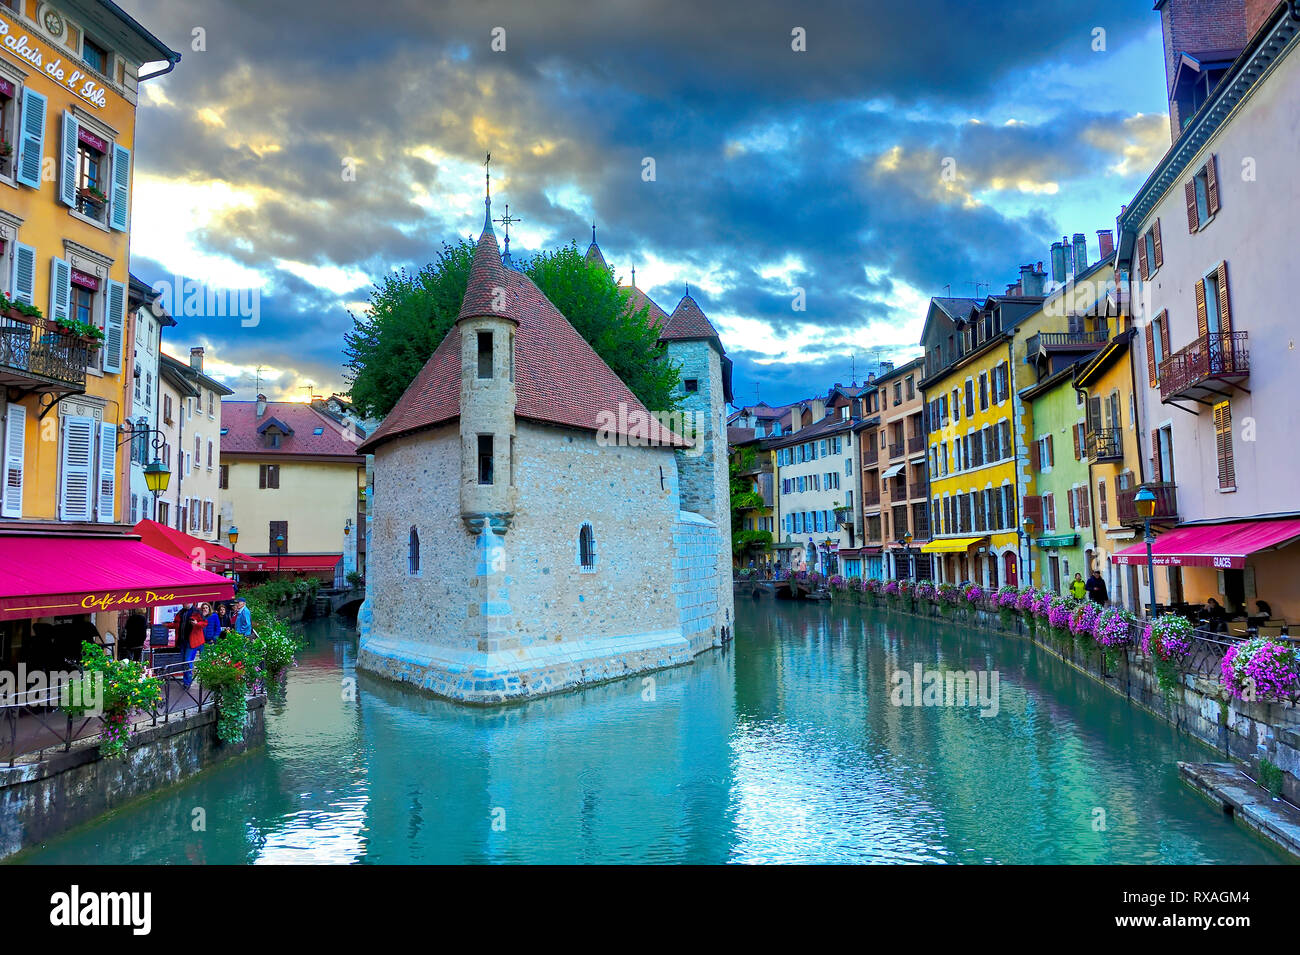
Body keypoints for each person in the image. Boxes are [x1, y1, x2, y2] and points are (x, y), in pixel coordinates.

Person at [182, 604, 207, 687]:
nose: (183, 604)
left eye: (184, 602)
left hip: (193, 641)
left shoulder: (197, 612)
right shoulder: (182, 612)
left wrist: (196, 623)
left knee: (188, 661)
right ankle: (187, 681)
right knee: (186, 661)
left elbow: (204, 623)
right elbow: (177, 623)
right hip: (184, 640)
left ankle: (188, 682)